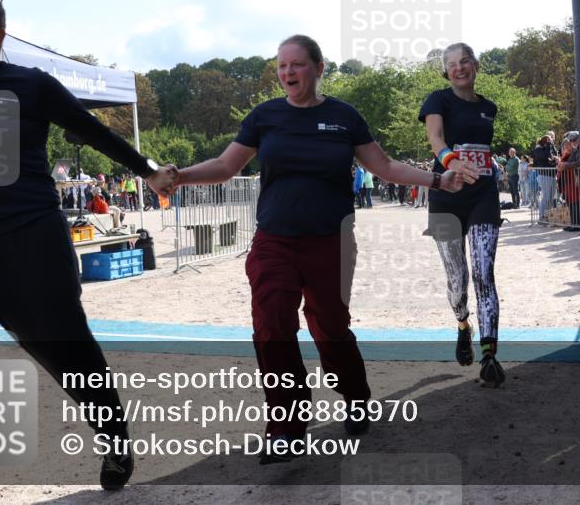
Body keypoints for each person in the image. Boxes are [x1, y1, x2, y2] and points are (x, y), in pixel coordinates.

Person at [0, 0, 178, 504]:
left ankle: (115, 435)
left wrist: (146, 171)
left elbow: (90, 130)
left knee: (66, 354)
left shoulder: (30, 85)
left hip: (29, 242)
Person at [172, 35, 465, 459]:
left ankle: (355, 395)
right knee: (272, 326)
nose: (287, 73)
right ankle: (286, 426)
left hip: (331, 241)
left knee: (329, 327)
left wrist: (438, 179)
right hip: (274, 240)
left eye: (297, 65)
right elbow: (224, 166)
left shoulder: (344, 117)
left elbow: (382, 166)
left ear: (319, 67)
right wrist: (179, 175)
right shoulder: (264, 117)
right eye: (281, 66)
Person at [419, 42, 506, 387]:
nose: (458, 68)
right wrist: (454, 162)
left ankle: (490, 354)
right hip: (446, 195)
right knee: (458, 280)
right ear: (446, 71)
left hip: (483, 194)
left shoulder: (489, 107)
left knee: (484, 272)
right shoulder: (436, 100)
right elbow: (436, 139)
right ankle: (462, 323)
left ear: (476, 65)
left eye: (464, 62)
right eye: (451, 64)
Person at [531, 132, 559, 224]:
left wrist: (552, 146)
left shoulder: (549, 148)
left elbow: (555, 154)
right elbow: (545, 156)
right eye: (549, 140)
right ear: (545, 141)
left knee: (551, 197)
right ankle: (542, 217)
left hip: (551, 175)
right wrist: (548, 145)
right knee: (546, 197)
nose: (550, 141)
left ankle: (548, 216)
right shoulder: (538, 149)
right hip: (544, 175)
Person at [557, 132, 580, 231]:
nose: (572, 142)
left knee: (576, 202)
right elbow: (570, 162)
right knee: (572, 203)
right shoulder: (576, 150)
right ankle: (574, 223)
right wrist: (561, 165)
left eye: (574, 140)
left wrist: (565, 165)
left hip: (579, 179)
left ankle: (577, 224)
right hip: (575, 179)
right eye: (570, 141)